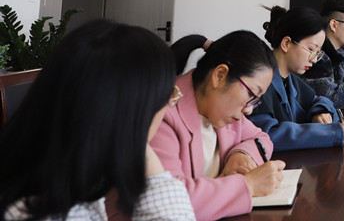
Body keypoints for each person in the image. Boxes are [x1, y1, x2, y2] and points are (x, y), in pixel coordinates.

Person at [0, 19, 195, 221]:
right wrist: (136, 141)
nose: (169, 105)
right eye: (167, 95)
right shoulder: (53, 211)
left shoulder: (62, 178)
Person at [151, 31, 286, 221]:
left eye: (256, 100)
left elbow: (261, 138)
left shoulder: (221, 110)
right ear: (220, 75)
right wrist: (247, 185)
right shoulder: (162, 113)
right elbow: (169, 202)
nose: (249, 110)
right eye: (251, 95)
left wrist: (242, 154)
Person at [248, 5, 344, 150]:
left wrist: (320, 111)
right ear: (286, 44)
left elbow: (319, 100)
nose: (314, 59)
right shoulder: (257, 82)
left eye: (318, 52)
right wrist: (327, 133)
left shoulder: (291, 80)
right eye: (311, 49)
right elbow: (266, 136)